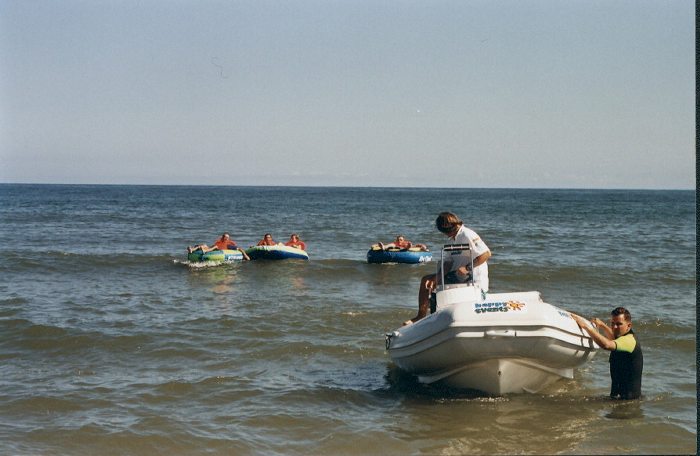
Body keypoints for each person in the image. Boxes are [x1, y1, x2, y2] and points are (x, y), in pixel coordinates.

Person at [404, 212, 491, 326]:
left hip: (472, 277)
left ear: (449, 226)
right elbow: (448, 263)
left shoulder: (467, 234)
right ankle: (421, 316)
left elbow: (486, 254)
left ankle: (430, 317)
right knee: (427, 281)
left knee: (433, 284)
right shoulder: (452, 239)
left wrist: (467, 267)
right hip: (456, 276)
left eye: (445, 231)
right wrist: (437, 278)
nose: (445, 234)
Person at [570, 307, 643, 400]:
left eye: (619, 324)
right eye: (613, 323)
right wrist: (602, 325)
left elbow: (607, 345)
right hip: (620, 399)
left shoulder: (629, 341)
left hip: (627, 403)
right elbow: (613, 338)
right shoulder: (623, 339)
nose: (614, 327)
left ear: (629, 326)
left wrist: (586, 327)